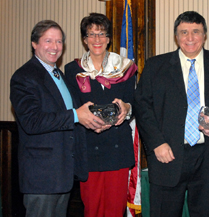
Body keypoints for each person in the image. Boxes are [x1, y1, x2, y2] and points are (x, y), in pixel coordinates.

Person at [134, 11, 209, 217]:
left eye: (196, 32)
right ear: (176, 36)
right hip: (167, 155)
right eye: (184, 32)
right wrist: (156, 144)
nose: (190, 38)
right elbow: (142, 107)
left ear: (204, 35)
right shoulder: (155, 66)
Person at [10, 20, 105, 217]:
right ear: (34, 44)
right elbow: (31, 122)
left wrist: (89, 121)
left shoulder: (58, 74)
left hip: (63, 173)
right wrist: (76, 115)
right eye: (48, 41)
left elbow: (69, 118)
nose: (55, 47)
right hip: (42, 176)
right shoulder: (24, 76)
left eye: (59, 42)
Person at [64, 13, 137, 217]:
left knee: (115, 209)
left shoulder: (125, 68)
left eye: (102, 34)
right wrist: (88, 120)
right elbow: (73, 107)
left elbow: (135, 103)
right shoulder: (72, 70)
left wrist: (126, 108)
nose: (97, 40)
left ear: (109, 38)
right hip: (88, 148)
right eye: (91, 34)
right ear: (84, 39)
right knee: (92, 209)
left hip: (117, 149)